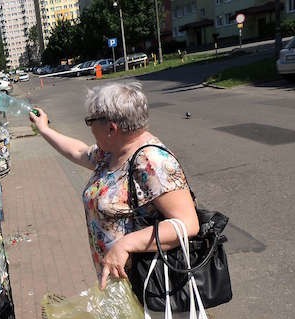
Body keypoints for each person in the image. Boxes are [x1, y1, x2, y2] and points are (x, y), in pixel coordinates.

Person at [29, 81, 199, 290]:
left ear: (111, 128)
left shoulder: (151, 160)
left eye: (90, 121)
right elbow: (79, 152)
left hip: (147, 288)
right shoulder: (113, 152)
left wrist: (126, 245)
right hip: (119, 284)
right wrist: (44, 129)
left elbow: (187, 224)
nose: (89, 128)